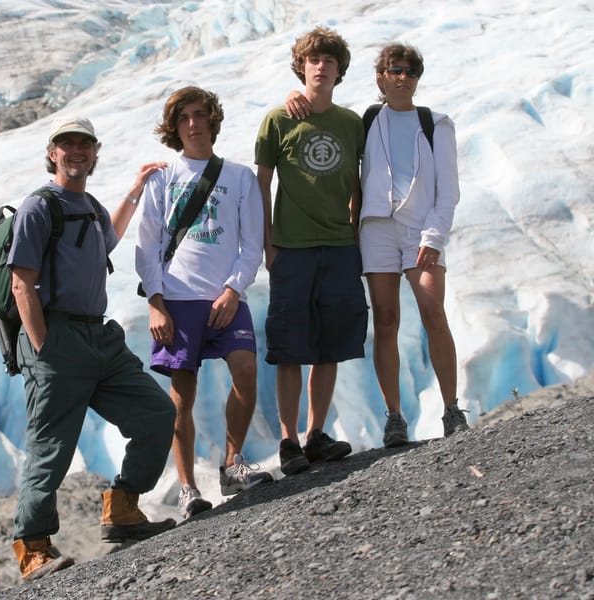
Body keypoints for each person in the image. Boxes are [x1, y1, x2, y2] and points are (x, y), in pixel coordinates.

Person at [7, 116, 177, 581]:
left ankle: (121, 507)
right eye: (67, 145)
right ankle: (33, 547)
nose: (76, 152)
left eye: (84, 144)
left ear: (95, 152)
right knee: (51, 449)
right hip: (57, 337)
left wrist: (136, 190)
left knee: (157, 415)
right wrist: (44, 349)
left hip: (100, 338)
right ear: (52, 153)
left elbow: (109, 238)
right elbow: (22, 284)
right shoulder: (38, 208)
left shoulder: (90, 205)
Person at [285, 43, 468, 446]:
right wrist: (294, 97)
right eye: (394, 70)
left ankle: (452, 408)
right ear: (380, 78)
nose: (402, 77)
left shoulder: (436, 124)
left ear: (417, 78)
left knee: (433, 312)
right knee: (385, 321)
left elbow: (448, 190)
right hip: (377, 231)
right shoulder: (366, 121)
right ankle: (394, 416)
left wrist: (434, 237)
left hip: (421, 230)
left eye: (410, 71)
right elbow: (324, 122)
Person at [136, 86, 272, 519]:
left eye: (200, 115)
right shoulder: (163, 178)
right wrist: (156, 302)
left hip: (224, 295)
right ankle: (190, 489)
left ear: (213, 119)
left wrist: (234, 289)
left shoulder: (239, 178)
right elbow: (146, 246)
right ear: (175, 128)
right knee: (181, 395)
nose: (193, 124)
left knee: (246, 370)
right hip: (177, 298)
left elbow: (253, 244)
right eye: (184, 118)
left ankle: (233, 463)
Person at [254, 27, 367, 477]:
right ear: (301, 66)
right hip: (293, 249)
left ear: (339, 70)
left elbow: (360, 185)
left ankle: (316, 435)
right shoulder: (278, 119)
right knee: (289, 348)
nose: (321, 66)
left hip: (339, 247)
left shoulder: (351, 123)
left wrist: (355, 235)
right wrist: (268, 243)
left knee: (329, 345)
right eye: (313, 59)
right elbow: (261, 185)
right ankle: (288, 440)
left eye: (329, 60)